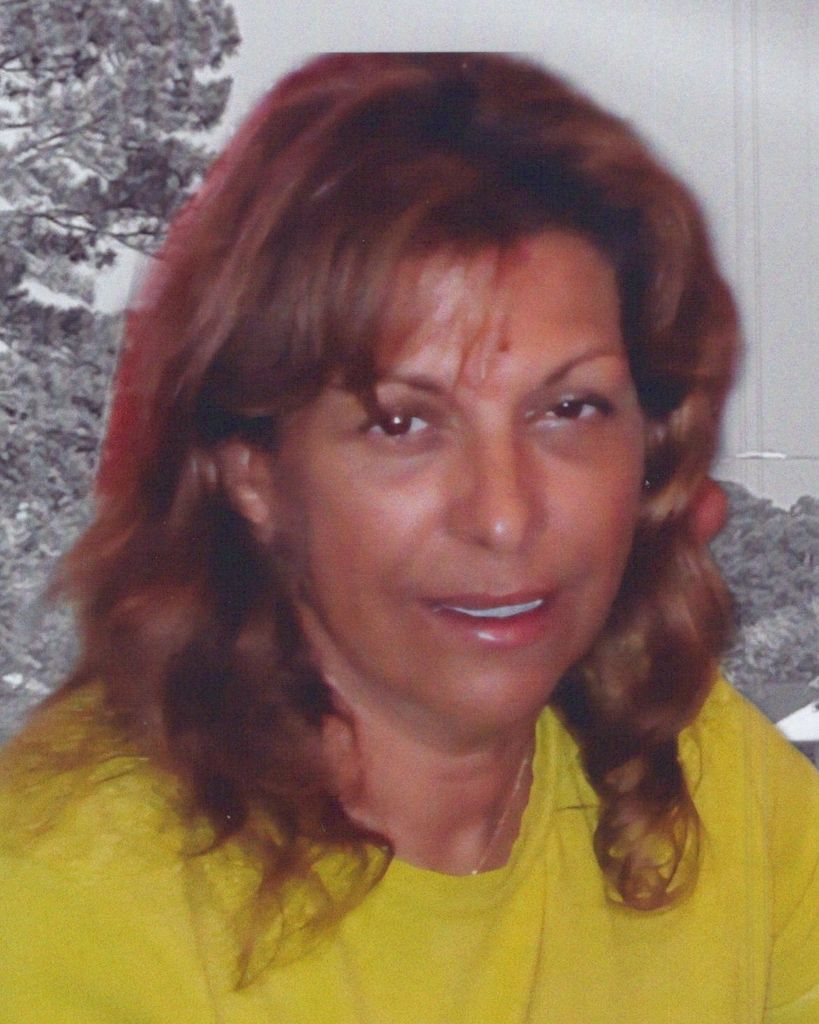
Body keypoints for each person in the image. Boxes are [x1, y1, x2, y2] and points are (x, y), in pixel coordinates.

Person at [0, 52, 816, 1024]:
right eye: (402, 424)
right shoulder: (63, 898)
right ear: (253, 473)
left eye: (569, 409)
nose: (503, 516)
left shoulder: (698, 771)